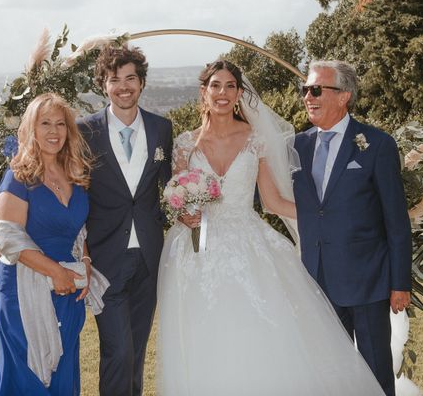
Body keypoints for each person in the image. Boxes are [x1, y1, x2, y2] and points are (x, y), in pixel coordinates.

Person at [157, 59, 384, 395]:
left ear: (238, 93)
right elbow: (178, 200)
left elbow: (274, 202)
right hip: (196, 254)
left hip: (248, 247)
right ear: (203, 92)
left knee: (256, 333)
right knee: (203, 336)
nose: (223, 93)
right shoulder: (185, 145)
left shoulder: (255, 139)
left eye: (230, 86)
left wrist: (329, 218)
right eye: (215, 86)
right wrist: (184, 215)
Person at [292, 60, 413, 396]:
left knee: (374, 375)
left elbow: (396, 220)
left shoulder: (377, 144)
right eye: (305, 90)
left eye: (316, 89)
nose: (308, 97)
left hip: (368, 283)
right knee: (329, 376)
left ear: (343, 95)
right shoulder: (297, 147)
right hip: (317, 281)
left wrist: (400, 282)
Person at [77, 44, 173, 396]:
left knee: (136, 352)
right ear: (104, 85)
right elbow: (76, 196)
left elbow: (168, 187)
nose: (123, 86)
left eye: (130, 78)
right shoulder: (84, 131)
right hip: (105, 260)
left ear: (142, 82)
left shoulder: (163, 129)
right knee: (118, 351)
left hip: (149, 258)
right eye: (114, 79)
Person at [0, 93, 94, 395]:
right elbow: (8, 238)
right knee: (28, 377)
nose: (53, 131)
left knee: (63, 376)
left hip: (67, 291)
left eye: (60, 124)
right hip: (24, 290)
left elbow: (79, 231)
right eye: (45, 123)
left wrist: (85, 263)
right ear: (30, 130)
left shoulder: (75, 175)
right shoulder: (18, 177)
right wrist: (55, 272)